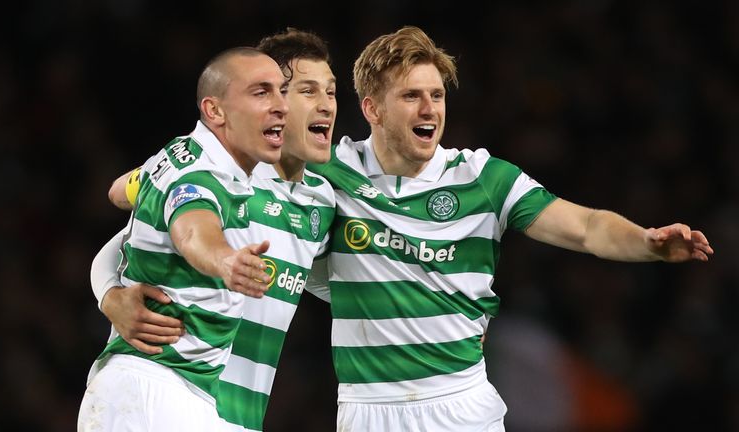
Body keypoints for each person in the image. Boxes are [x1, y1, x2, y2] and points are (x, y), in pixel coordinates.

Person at [300, 26, 712, 431]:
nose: (430, 109)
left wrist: (646, 241)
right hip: (368, 409)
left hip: (459, 404)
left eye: (437, 95)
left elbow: (585, 226)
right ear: (373, 109)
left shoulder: (484, 177)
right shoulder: (328, 173)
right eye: (411, 96)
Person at [88, 29, 339, 431]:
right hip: (169, 393)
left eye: (331, 91)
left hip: (233, 414)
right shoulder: (223, 173)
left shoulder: (323, 201)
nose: (325, 105)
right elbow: (127, 207)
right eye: (307, 91)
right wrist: (109, 295)